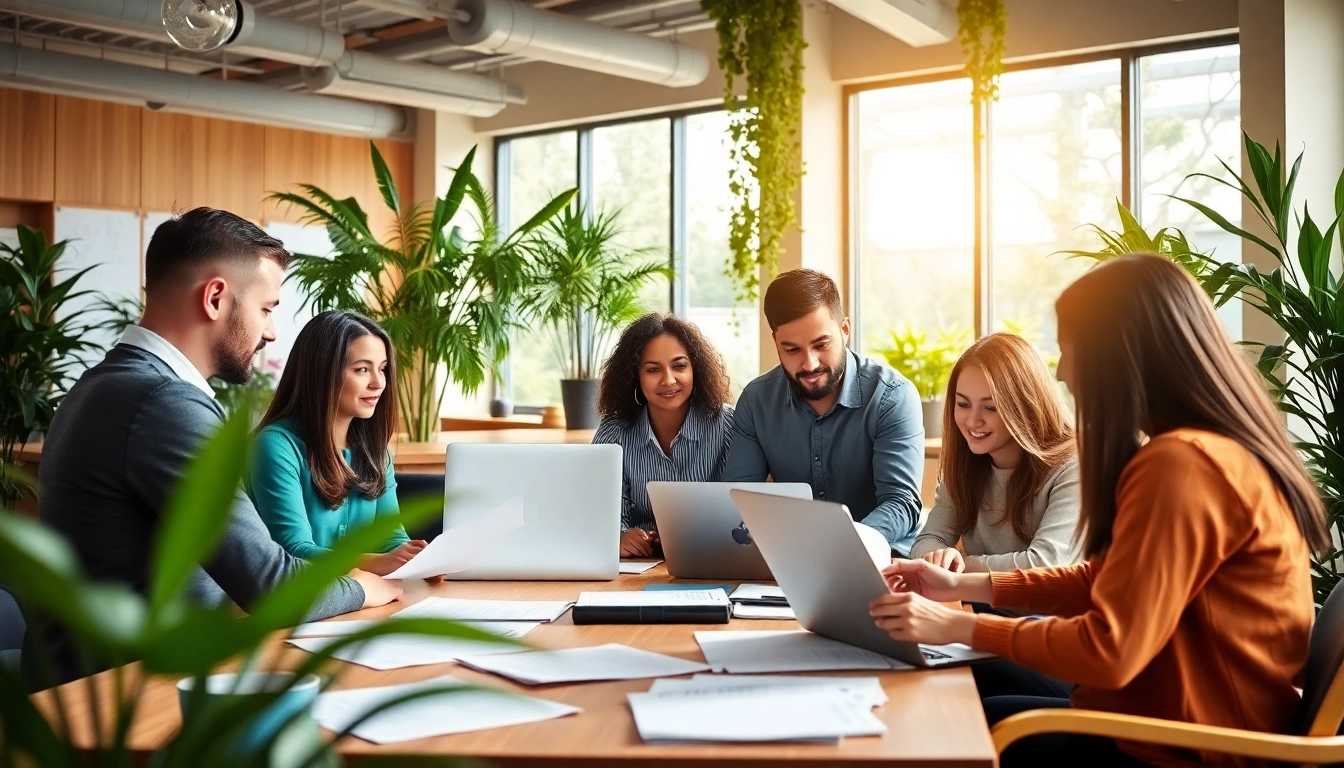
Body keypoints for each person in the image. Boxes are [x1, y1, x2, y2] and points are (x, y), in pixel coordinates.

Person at [868, 254, 1329, 767]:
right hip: (1174, 718)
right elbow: (1106, 580)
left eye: (1071, 349)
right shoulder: (1209, 451)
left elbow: (1112, 648)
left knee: (959, 722)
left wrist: (956, 626)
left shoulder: (1182, 465)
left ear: (1120, 355)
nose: (1063, 371)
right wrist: (964, 588)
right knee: (962, 695)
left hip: (1196, 745)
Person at [26, 208, 401, 688]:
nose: (270, 332)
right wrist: (364, 587)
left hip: (118, 676)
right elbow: (269, 583)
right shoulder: (165, 403)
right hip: (121, 694)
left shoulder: (104, 383)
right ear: (216, 297)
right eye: (266, 309)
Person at [721, 269, 924, 555]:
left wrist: (842, 546)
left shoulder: (892, 397)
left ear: (844, 330)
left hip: (882, 561)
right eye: (791, 350)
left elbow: (901, 502)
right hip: (792, 561)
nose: (810, 363)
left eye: (821, 345)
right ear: (776, 341)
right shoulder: (757, 401)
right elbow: (740, 499)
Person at [246, 310, 428, 575]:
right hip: (293, 606)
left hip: (362, 600)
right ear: (323, 373)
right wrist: (378, 562)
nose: (379, 383)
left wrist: (419, 559)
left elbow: (391, 538)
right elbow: (293, 551)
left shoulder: (376, 451)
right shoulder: (276, 446)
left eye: (383, 369)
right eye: (362, 369)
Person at [909, 333, 1081, 573]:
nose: (972, 421)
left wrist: (959, 566)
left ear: (1026, 405)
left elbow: (1044, 565)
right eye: (963, 404)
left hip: (1048, 610)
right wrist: (938, 556)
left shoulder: (1074, 465)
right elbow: (926, 541)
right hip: (981, 605)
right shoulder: (965, 462)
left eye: (990, 408)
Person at [592, 313, 734, 558]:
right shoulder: (613, 432)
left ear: (695, 370)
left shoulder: (726, 423)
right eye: (653, 369)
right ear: (634, 376)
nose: (668, 380)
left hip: (712, 560)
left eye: (679, 366)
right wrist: (621, 537)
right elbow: (601, 513)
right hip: (636, 568)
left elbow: (736, 509)